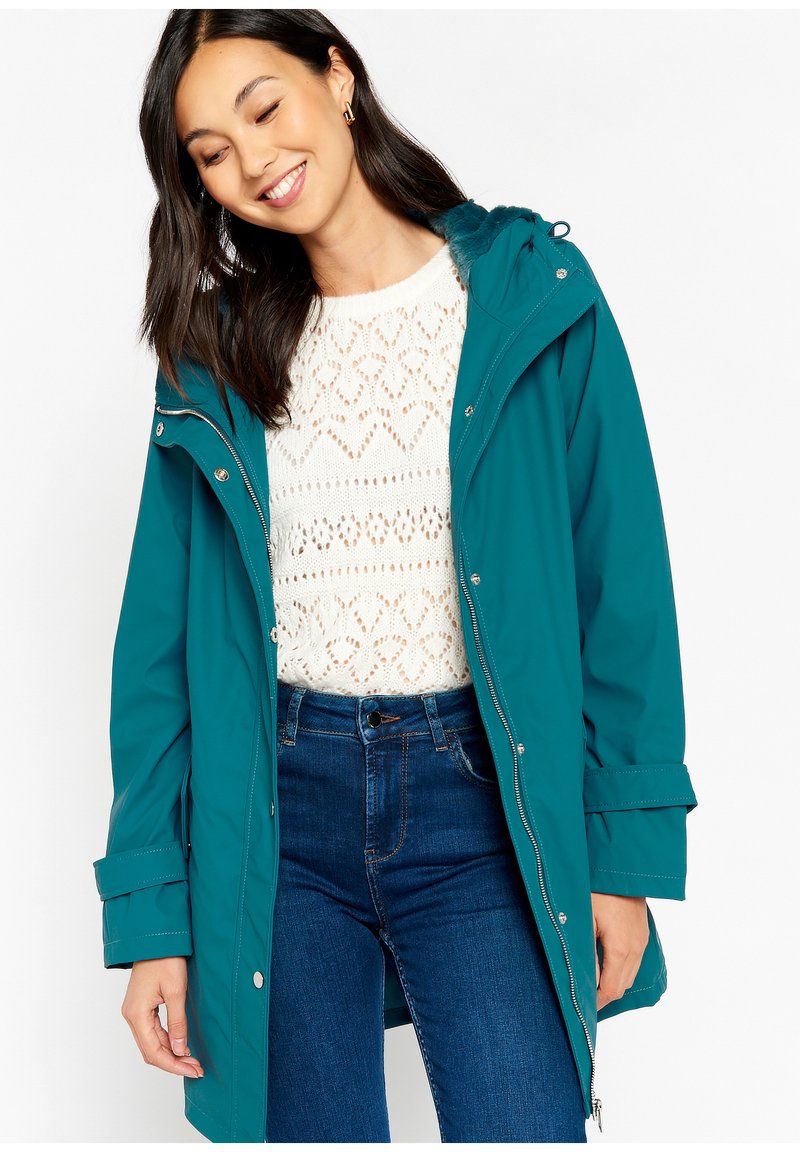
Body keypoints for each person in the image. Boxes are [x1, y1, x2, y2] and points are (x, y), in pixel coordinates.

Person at [92, 8, 699, 1144]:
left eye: (264, 109)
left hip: (484, 808)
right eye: (211, 153)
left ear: (337, 78)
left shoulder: (528, 293)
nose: (252, 161)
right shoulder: (214, 358)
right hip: (276, 821)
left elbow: (621, 590)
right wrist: (152, 920)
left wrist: (622, 855)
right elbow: (157, 656)